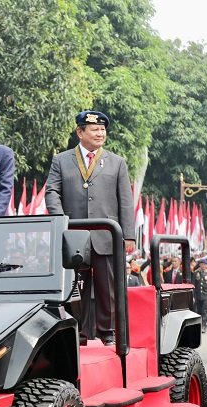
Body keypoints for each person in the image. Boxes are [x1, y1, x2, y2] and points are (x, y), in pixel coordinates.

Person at [45, 110, 135, 345]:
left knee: (108, 289)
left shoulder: (117, 162)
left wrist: (128, 236)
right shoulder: (61, 160)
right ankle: (79, 333)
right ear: (80, 132)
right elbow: (52, 191)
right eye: (94, 129)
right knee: (75, 288)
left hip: (106, 235)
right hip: (74, 237)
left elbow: (126, 202)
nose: (100, 134)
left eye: (103, 130)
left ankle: (108, 333)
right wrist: (60, 221)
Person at [192, 258, 207, 332]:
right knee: (199, 310)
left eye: (204, 264)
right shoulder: (196, 273)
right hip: (198, 295)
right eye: (201, 264)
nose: (203, 266)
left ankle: (204, 326)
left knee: (205, 310)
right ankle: (200, 325)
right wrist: (193, 296)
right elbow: (194, 285)